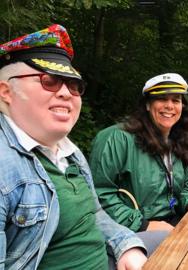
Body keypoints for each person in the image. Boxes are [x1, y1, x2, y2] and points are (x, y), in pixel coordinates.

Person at [0, 24, 148, 269]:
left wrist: (127, 246)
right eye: (50, 81)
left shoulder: (70, 152)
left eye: (73, 85)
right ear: (6, 92)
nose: (66, 93)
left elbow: (95, 215)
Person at [90, 72, 188, 233]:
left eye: (176, 100)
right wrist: (144, 225)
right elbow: (99, 194)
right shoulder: (116, 138)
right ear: (147, 105)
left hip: (172, 220)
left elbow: (185, 189)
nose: (170, 106)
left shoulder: (181, 140)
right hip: (131, 229)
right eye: (162, 99)